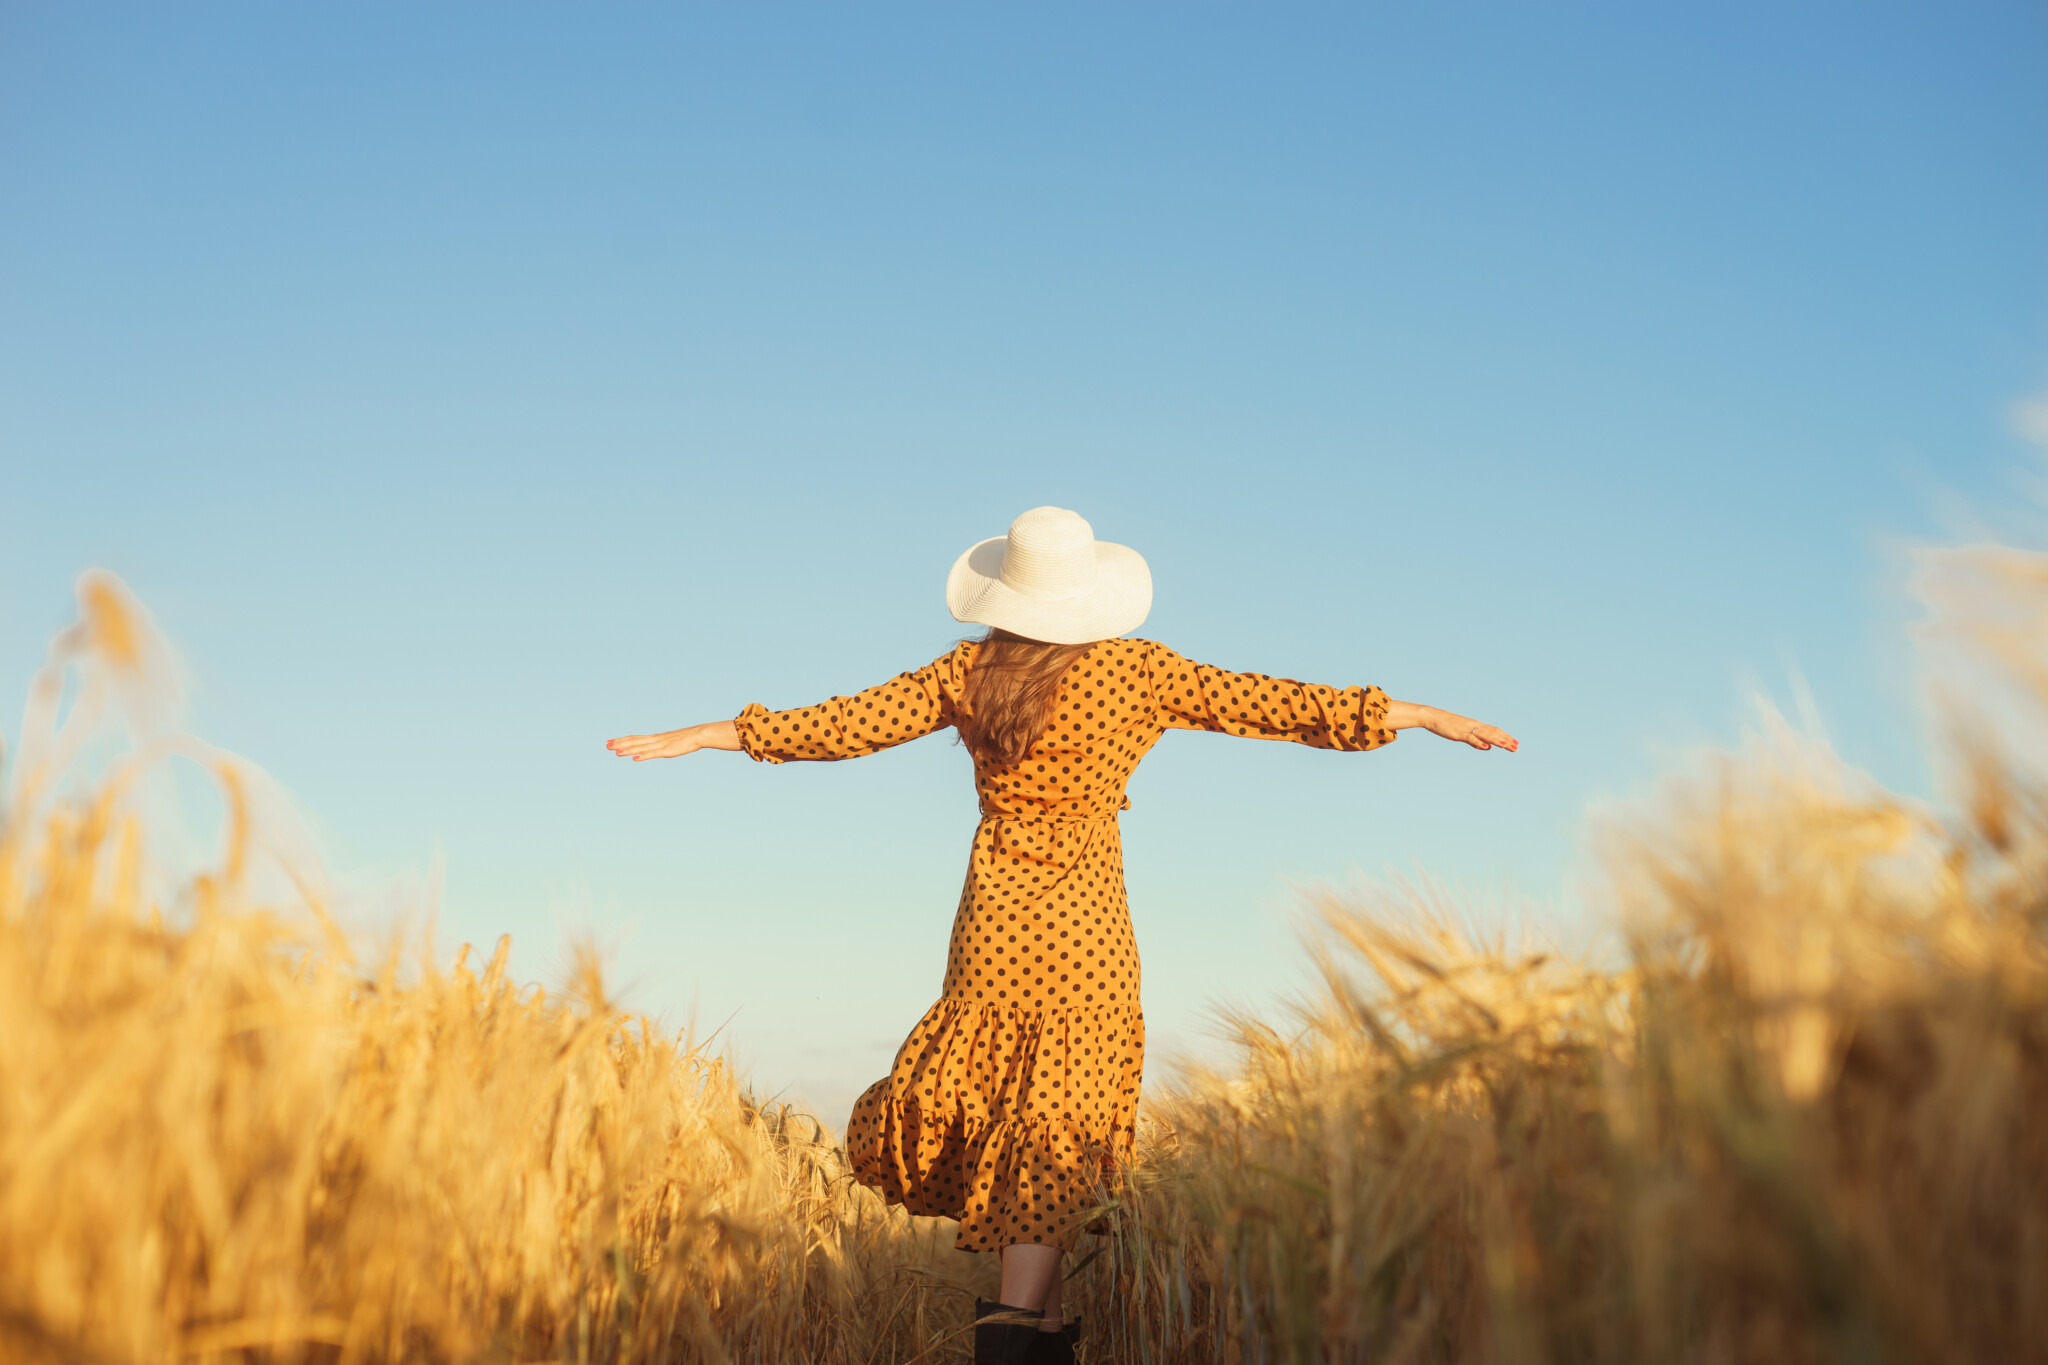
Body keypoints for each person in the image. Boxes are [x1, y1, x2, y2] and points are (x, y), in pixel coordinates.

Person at [608, 506, 1517, 1364]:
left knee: (1011, 1100)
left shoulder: (966, 674)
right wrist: (1420, 715)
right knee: (1059, 1121)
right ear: (1088, 596)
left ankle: (1034, 1324)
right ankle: (1016, 1329)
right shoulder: (1137, 670)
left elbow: (842, 725)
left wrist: (708, 734)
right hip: (1085, 923)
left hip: (995, 919)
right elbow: (1275, 703)